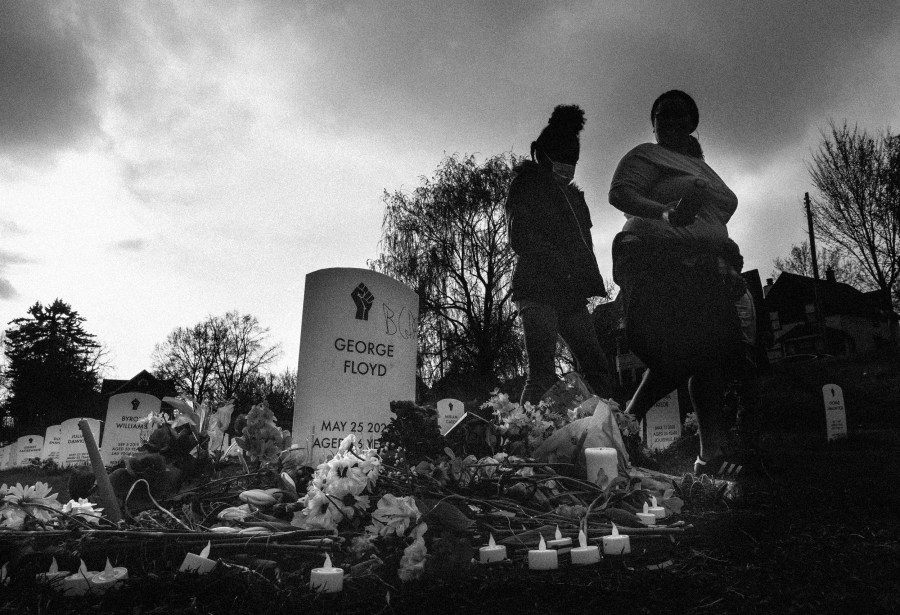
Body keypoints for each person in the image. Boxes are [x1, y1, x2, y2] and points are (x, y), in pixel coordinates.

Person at [608, 90, 747, 477]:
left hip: (703, 265)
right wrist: (664, 213)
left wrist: (726, 257)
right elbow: (621, 193)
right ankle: (624, 429)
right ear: (653, 123)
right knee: (672, 353)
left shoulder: (703, 169)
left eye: (679, 114)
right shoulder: (646, 156)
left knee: (711, 355)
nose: (670, 121)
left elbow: (713, 222)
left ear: (692, 122)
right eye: (662, 115)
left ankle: (709, 454)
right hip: (656, 260)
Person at [505, 104, 614, 406]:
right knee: (542, 375)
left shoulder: (575, 198)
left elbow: (585, 247)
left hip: (571, 292)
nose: (568, 167)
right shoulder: (526, 184)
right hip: (538, 287)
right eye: (563, 160)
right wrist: (561, 265)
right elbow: (520, 237)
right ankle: (522, 432)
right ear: (543, 155)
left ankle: (605, 425)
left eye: (573, 161)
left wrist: (586, 279)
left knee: (597, 367)